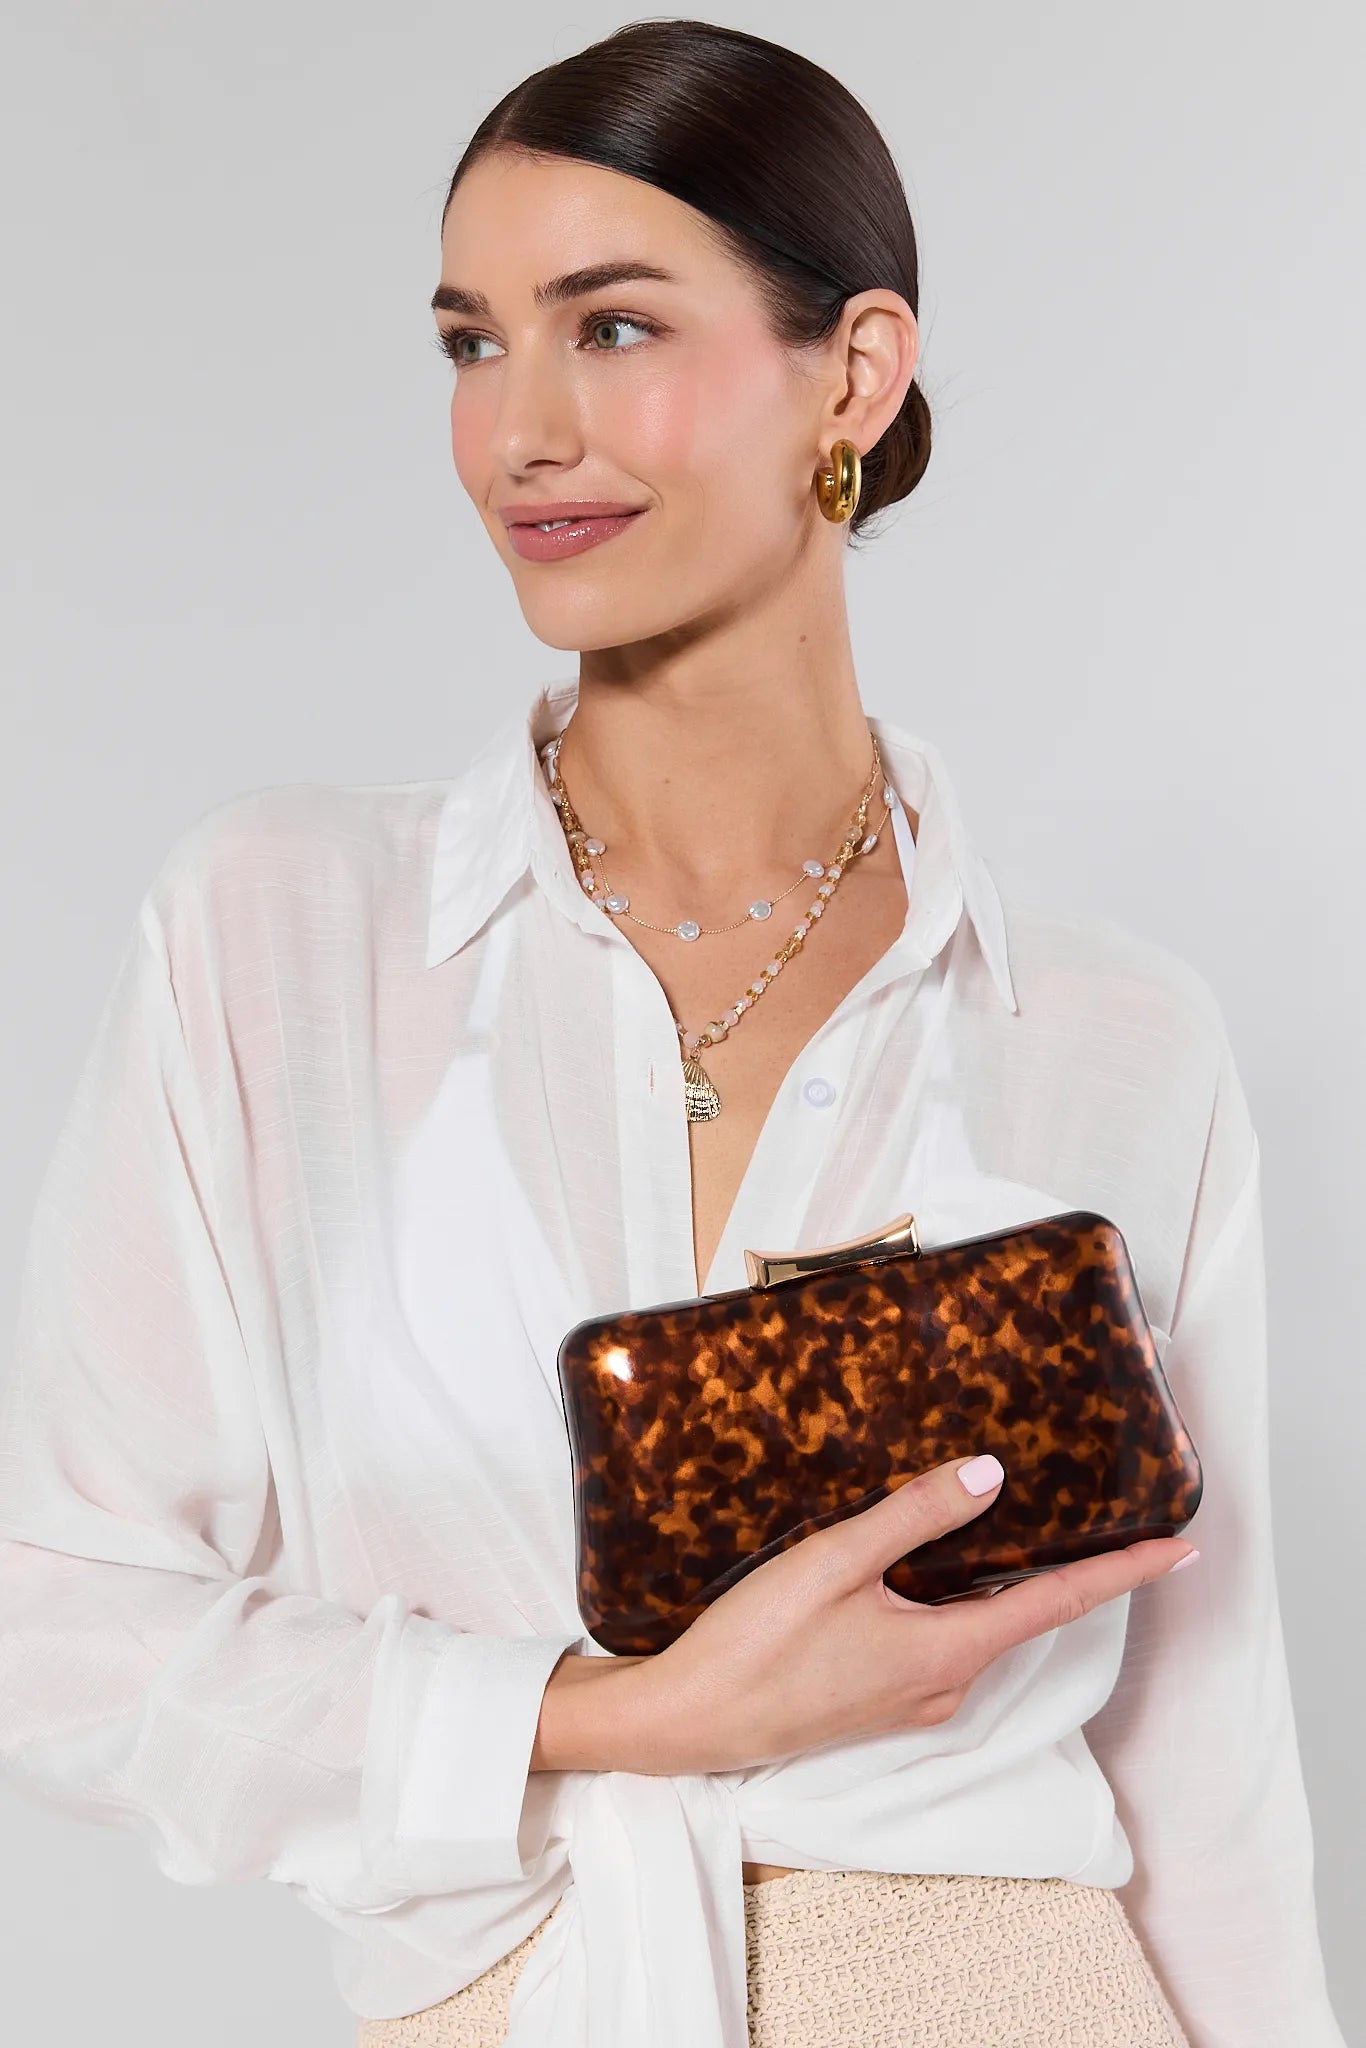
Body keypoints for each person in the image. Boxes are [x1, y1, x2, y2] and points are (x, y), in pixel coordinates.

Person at [0, 17, 1346, 2048]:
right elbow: (60, 1617)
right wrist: (614, 1716)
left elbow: (1207, 1762)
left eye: (608, 328)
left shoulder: (1103, 1035)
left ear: (855, 372)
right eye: (470, 343)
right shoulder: (275, 934)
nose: (519, 427)